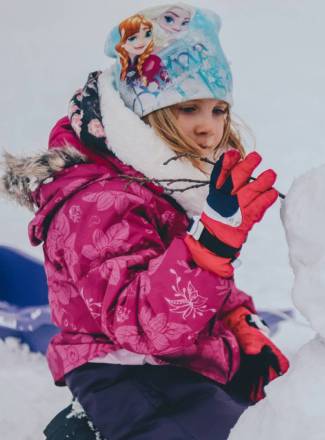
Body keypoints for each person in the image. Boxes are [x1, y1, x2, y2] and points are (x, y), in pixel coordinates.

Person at [1, 4, 288, 439]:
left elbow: (168, 268)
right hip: (128, 374)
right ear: (144, 112)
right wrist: (212, 248)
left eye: (218, 110)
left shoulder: (155, 184)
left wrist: (235, 318)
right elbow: (139, 324)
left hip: (177, 361)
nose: (209, 129)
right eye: (189, 109)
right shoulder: (98, 203)